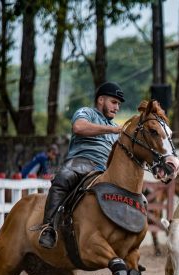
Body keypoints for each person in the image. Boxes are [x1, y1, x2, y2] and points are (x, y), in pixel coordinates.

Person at [37, 81, 124, 249]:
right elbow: (79, 127)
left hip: (105, 170)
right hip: (81, 162)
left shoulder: (117, 129)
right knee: (63, 178)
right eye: (114, 102)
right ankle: (48, 228)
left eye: (118, 104)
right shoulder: (86, 113)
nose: (117, 107)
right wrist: (111, 130)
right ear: (101, 100)